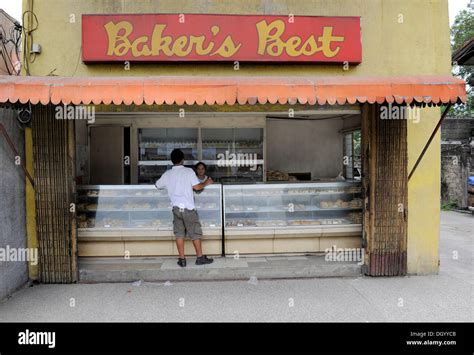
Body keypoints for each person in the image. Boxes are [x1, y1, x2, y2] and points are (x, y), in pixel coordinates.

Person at [155, 149, 214, 267]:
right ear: (183, 160)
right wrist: (206, 183)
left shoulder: (168, 174)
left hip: (176, 208)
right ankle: (200, 258)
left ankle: (182, 260)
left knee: (179, 234)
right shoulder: (188, 172)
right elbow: (197, 187)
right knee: (195, 233)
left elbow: (157, 185)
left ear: (172, 160)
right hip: (188, 208)